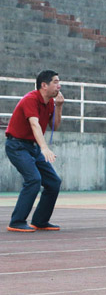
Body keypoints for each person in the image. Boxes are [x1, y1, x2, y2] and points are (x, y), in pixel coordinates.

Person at [4, 69, 64, 232]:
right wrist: (44, 148)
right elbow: (34, 124)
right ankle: (16, 221)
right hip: (17, 146)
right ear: (44, 85)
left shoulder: (51, 102)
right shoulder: (30, 99)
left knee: (53, 182)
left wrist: (59, 107)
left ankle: (40, 220)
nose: (59, 85)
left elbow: (55, 127)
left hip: (32, 146)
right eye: (56, 82)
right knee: (33, 179)